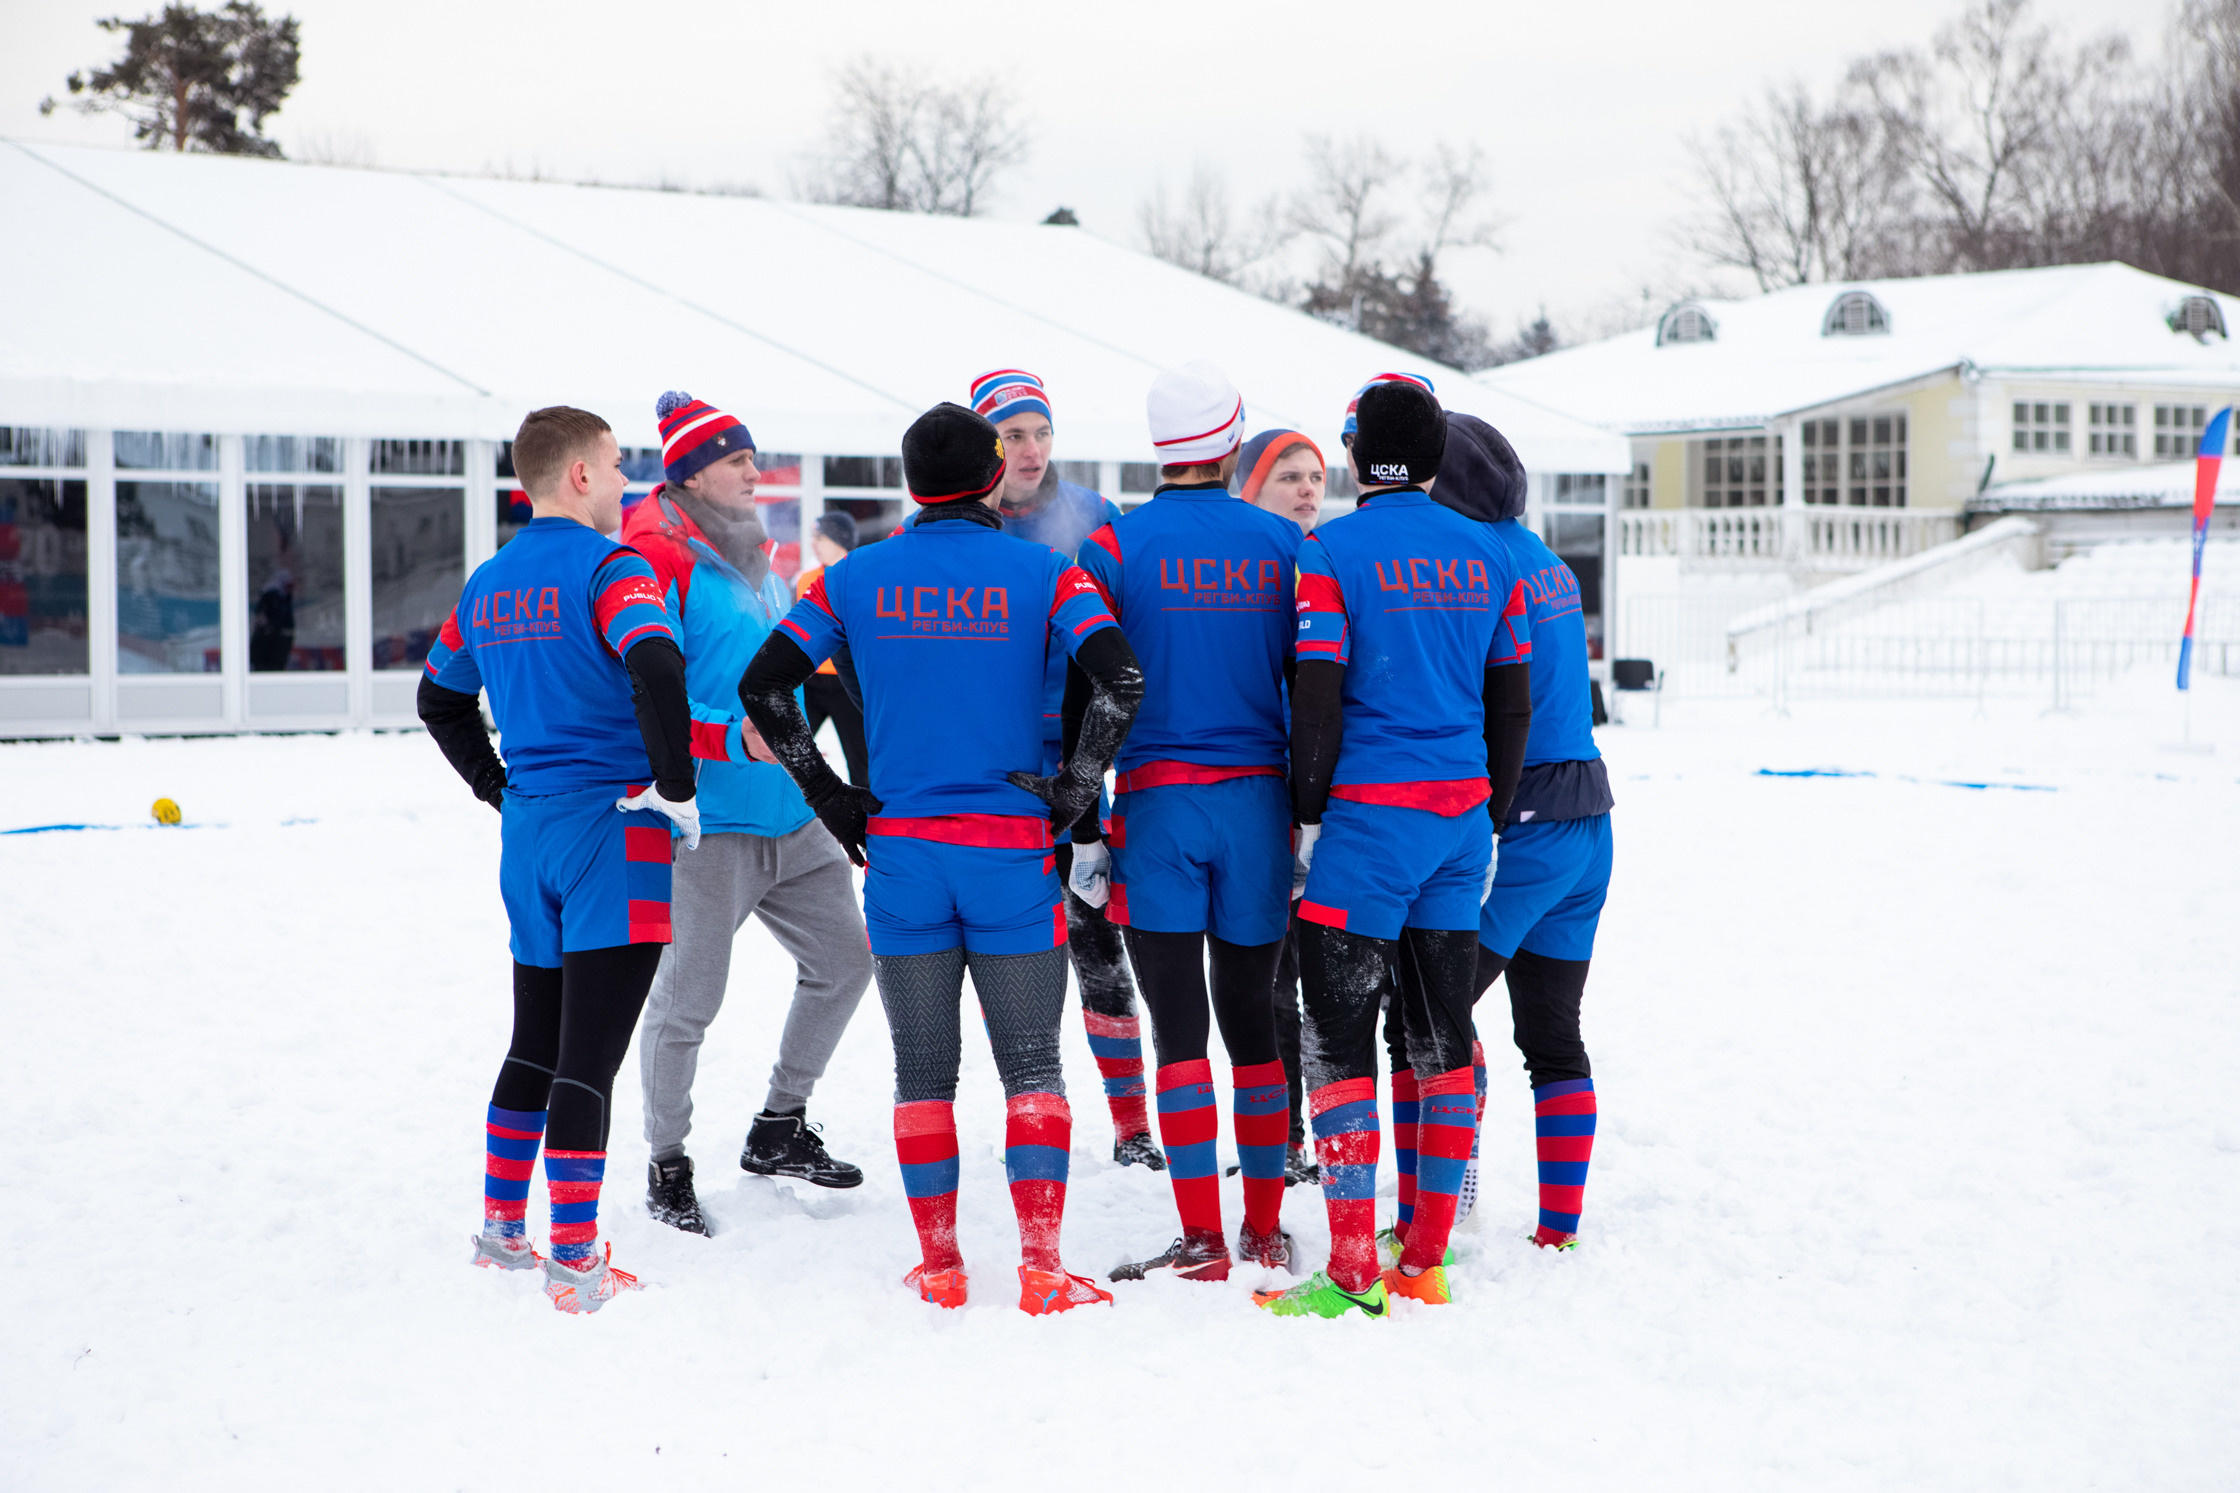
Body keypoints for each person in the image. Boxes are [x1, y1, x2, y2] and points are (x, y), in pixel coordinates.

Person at [739, 401, 1144, 1315]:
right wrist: (1077, 787)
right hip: (1010, 855)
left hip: (904, 859)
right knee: (1032, 1065)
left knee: (921, 1072)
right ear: (995, 475)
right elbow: (1121, 678)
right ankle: (1041, 1267)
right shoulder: (1049, 569)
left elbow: (764, 686)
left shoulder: (851, 579)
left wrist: (832, 796)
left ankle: (943, 1267)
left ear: (912, 488)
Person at [418, 405, 719, 1314]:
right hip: (611, 830)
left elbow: (439, 699)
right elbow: (659, 666)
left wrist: (494, 783)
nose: (628, 480)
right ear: (580, 474)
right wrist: (675, 786)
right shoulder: (609, 565)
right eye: (618, 464)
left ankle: (505, 1230)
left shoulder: (488, 583)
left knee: (534, 1044)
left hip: (531, 831)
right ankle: (577, 1259)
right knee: (589, 1055)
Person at [1254, 375, 1534, 1320]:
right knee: (1440, 1040)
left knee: (1338, 1046)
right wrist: (1489, 813)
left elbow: (1320, 691)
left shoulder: (1332, 550)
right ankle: (1423, 1259)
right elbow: (1513, 699)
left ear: (1355, 456)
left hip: (1368, 824)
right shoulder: (1490, 555)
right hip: (1460, 823)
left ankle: (1349, 1272)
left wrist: (1308, 811)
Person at [621, 392, 875, 1238]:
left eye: (752, 457)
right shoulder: (658, 557)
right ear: (690, 471)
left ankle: (778, 1124)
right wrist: (731, 738)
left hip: (792, 813)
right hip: (708, 824)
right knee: (689, 999)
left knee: (846, 961)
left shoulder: (760, 558)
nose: (752, 471)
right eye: (736, 460)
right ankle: (667, 1161)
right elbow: (643, 699)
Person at [1073, 365, 1305, 1284]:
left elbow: (1085, 698)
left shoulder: (1113, 548)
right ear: (1234, 440)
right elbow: (1316, 683)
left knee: (1178, 1032)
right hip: (1259, 803)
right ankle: (1263, 1229)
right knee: (1254, 1022)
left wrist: (1085, 829)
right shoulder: (1284, 544)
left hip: (1157, 806)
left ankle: (1203, 1237)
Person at [899, 369, 1160, 1170]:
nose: (1032, 450)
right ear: (985, 445)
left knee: (1096, 941)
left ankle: (1131, 1121)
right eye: (1013, 435)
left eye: (1042, 432)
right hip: (986, 772)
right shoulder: (942, 527)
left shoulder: (1093, 519)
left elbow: (1128, 645)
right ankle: (1029, 1098)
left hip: (1078, 761)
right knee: (1003, 946)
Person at [1386, 412, 1613, 1251]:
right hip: (1590, 819)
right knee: (1552, 1034)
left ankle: (1440, 1208)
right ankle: (1560, 1229)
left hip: (1521, 827)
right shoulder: (1547, 560)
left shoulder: (1473, 566)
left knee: (1424, 1019)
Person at [1237, 427, 1329, 1186]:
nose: (1306, 489)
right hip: (1257, 800)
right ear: (1251, 488)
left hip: (1331, 804)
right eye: (1288, 476)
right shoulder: (1253, 570)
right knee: (1268, 981)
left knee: (1325, 981)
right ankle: (1283, 1138)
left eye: (1315, 477)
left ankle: (1327, 1137)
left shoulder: (1328, 562)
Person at [794, 510, 870, 787]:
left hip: (847, 684)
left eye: (819, 537)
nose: (813, 543)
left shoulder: (861, 576)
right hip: (811, 682)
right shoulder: (807, 579)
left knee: (860, 763)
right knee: (787, 753)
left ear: (838, 539)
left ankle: (869, 824)